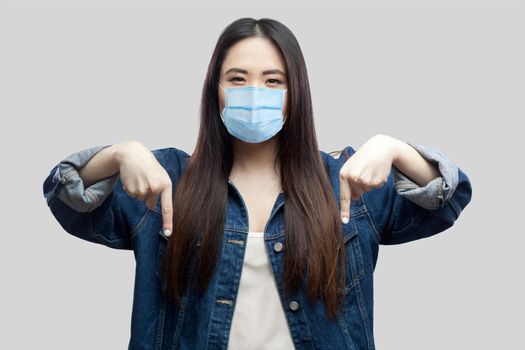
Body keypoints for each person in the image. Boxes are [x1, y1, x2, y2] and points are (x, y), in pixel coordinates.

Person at [42, 17, 472, 350]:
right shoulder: (168, 181)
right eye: (237, 78)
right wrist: (119, 153)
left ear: (295, 92)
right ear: (215, 90)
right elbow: (66, 196)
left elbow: (447, 198)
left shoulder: (345, 182)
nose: (254, 92)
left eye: (272, 80)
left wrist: (395, 149)